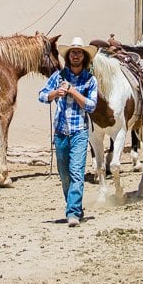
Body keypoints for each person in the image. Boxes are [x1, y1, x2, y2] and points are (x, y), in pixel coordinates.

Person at [38, 36, 99, 226]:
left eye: (79, 53)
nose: (75, 56)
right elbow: (41, 95)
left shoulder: (90, 80)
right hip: (60, 132)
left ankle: (72, 212)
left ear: (84, 57)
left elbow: (91, 106)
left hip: (79, 131)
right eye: (73, 52)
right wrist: (55, 93)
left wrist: (73, 91)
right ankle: (75, 206)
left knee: (76, 173)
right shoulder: (58, 77)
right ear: (68, 56)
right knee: (64, 175)